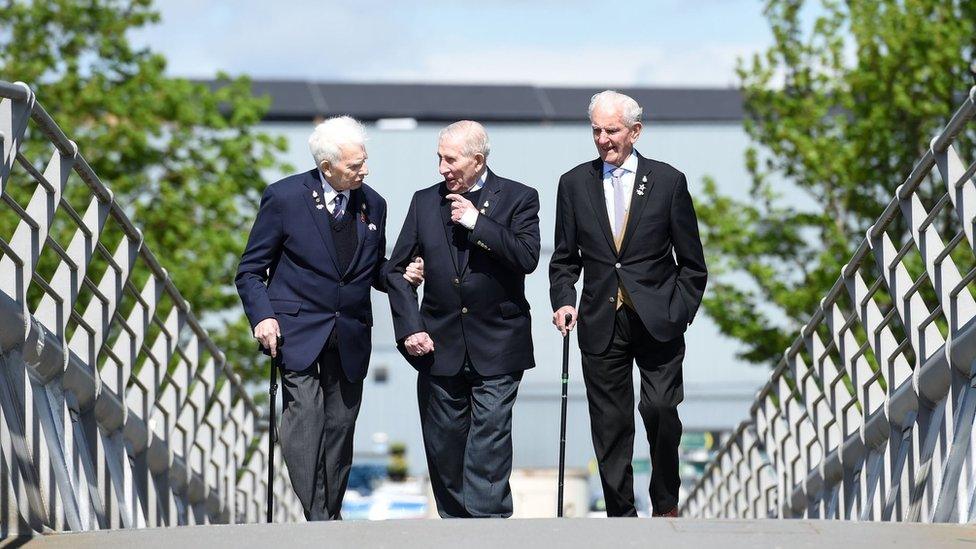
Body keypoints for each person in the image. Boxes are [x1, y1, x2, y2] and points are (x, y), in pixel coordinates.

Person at [235, 116, 423, 521]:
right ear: (327, 167)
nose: (365, 170)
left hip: (350, 331)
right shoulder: (285, 198)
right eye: (355, 165)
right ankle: (319, 514)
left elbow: (370, 269)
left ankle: (329, 510)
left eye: (364, 161)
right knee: (306, 417)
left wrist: (399, 273)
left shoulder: (374, 203)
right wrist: (262, 317)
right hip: (296, 329)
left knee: (341, 425)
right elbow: (250, 270)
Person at [549, 91, 707, 517]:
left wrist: (681, 312)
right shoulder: (573, 183)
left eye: (612, 130)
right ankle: (621, 513)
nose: (603, 139)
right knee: (611, 424)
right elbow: (564, 259)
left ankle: (666, 503)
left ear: (635, 132)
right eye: (596, 130)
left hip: (658, 318)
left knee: (658, 409)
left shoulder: (668, 182)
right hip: (600, 317)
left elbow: (693, 264)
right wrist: (563, 300)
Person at [386, 120, 540, 518]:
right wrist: (409, 327)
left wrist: (478, 224)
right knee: (445, 445)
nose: (442, 168)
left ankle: (486, 527)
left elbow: (527, 257)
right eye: (439, 158)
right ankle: (456, 525)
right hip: (439, 344)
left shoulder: (519, 198)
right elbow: (396, 272)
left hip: (499, 342)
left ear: (477, 159)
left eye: (450, 159)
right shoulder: (424, 202)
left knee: (489, 436)